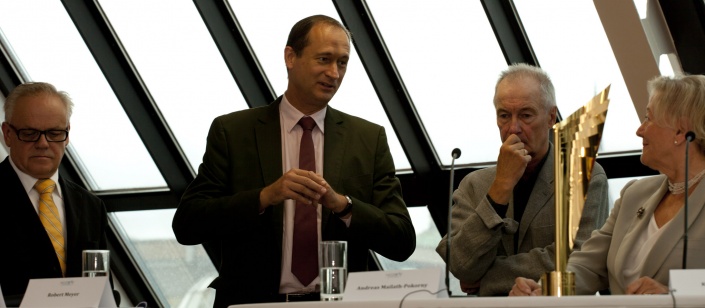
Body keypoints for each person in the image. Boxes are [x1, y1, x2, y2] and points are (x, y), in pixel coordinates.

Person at [172, 15, 415, 307]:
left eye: (342, 63)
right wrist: (265, 197)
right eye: (324, 59)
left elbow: (402, 241)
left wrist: (343, 206)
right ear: (290, 57)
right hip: (253, 303)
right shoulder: (234, 132)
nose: (334, 73)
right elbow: (187, 224)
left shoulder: (367, 139)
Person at [511, 74, 705, 296]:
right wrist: (546, 289)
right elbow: (587, 266)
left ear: (680, 131)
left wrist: (674, 291)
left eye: (648, 119)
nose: (640, 130)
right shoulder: (636, 194)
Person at [436, 64, 610, 296]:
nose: (513, 129)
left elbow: (575, 261)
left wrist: (487, 278)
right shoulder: (474, 184)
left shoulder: (582, 176)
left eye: (526, 115)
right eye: (504, 116)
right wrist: (500, 188)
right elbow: (460, 264)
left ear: (550, 117)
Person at [0, 82, 115, 306]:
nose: (43, 143)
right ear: (7, 134)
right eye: (30, 133)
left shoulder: (91, 206)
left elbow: (102, 290)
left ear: (67, 135)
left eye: (54, 133)